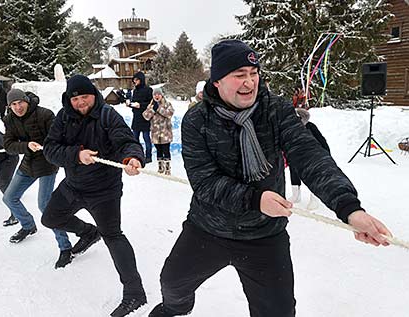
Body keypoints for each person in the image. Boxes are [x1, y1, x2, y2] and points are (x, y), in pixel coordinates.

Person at [148, 39, 392, 317]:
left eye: (253, 73)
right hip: (207, 228)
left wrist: (349, 208)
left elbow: (310, 157)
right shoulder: (197, 120)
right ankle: (175, 309)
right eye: (239, 75)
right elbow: (204, 181)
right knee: (172, 283)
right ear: (217, 81)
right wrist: (254, 198)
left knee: (278, 312)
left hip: (264, 235)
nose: (249, 82)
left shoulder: (275, 110)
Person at [42, 75, 147, 316]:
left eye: (85, 97)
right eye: (75, 98)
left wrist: (132, 158)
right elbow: (50, 149)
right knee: (50, 219)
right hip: (73, 185)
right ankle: (89, 233)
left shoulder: (107, 115)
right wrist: (76, 155)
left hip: (104, 190)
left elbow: (126, 141)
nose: (80, 103)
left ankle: (135, 293)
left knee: (113, 235)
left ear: (94, 94)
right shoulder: (63, 117)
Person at [2, 89, 73, 268]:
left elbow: (59, 139)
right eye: (13, 104)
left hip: (47, 164)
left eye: (20, 102)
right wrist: (26, 145)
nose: (18, 107)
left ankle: (65, 247)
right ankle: (28, 225)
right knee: (9, 197)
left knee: (45, 205)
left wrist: (47, 147)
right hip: (27, 163)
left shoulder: (45, 114)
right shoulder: (9, 119)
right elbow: (8, 145)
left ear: (26, 100)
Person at [287, 108, 330, 210]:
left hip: (313, 155)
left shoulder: (310, 127)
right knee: (294, 171)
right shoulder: (290, 129)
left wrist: (324, 155)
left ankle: (314, 198)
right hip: (296, 155)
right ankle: (296, 195)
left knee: (313, 175)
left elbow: (322, 140)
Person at [142, 87, 174, 175]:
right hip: (155, 133)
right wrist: (152, 110)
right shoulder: (151, 105)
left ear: (161, 95)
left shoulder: (167, 104)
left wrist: (159, 109)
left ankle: (167, 167)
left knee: (166, 150)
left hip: (165, 132)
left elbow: (170, 114)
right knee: (158, 150)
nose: (157, 96)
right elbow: (145, 116)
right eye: (155, 94)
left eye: (158, 94)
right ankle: (160, 166)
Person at [128, 71, 153, 163]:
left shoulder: (148, 90)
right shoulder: (135, 91)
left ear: (141, 80)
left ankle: (148, 156)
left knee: (146, 138)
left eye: (136, 80)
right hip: (136, 118)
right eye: (134, 80)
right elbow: (134, 102)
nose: (135, 82)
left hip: (145, 118)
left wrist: (140, 105)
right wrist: (130, 104)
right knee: (135, 139)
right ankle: (137, 155)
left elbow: (151, 103)